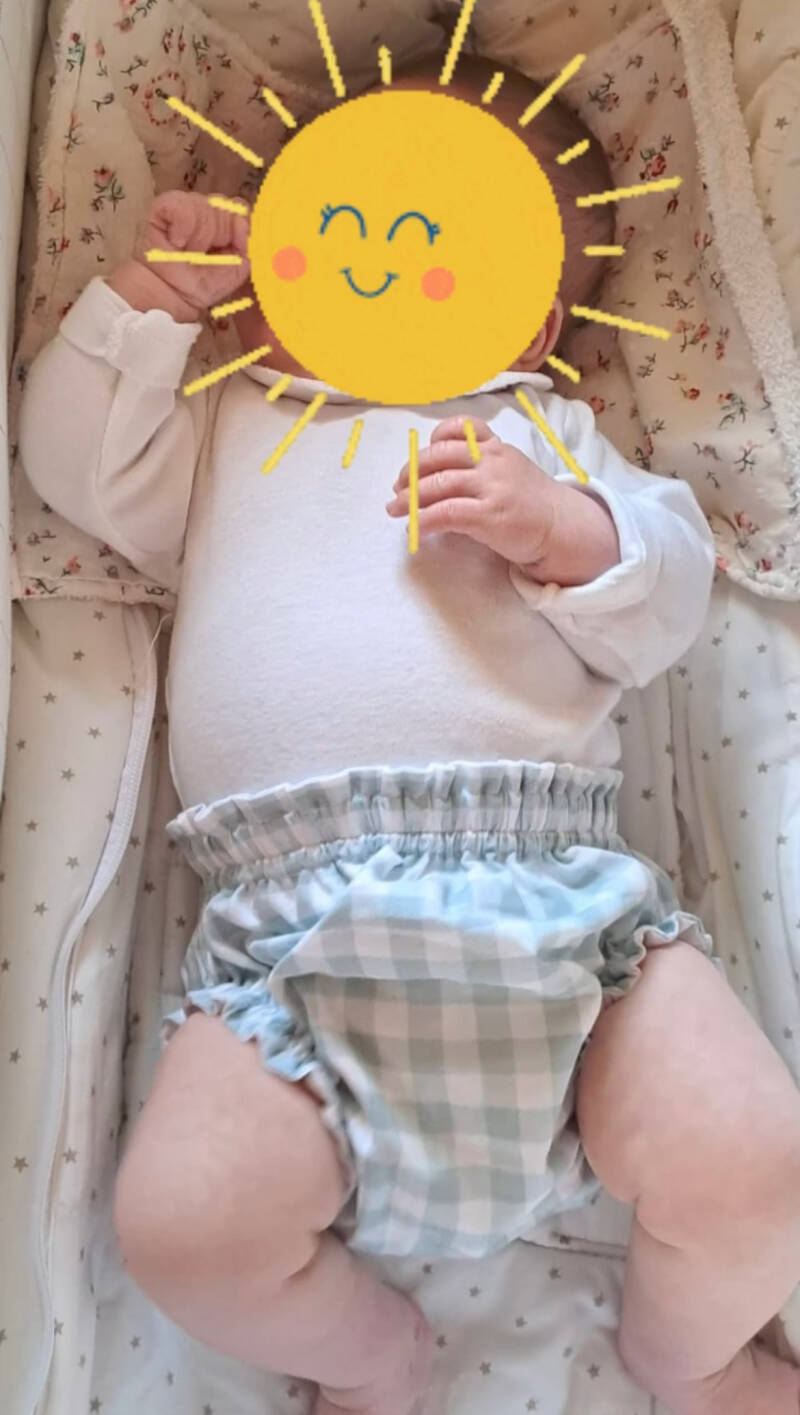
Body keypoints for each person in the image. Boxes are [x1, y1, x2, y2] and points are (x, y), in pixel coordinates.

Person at [20, 53, 800, 1415]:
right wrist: (147, 308)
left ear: (538, 310)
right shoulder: (230, 423)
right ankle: (368, 1355)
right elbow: (72, 469)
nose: (379, 257)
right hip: (289, 942)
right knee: (182, 1228)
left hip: (565, 914)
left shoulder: (544, 432)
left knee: (755, 1163)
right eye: (337, 218)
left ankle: (694, 1357)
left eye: (441, 229)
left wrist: (568, 533)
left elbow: (668, 597)